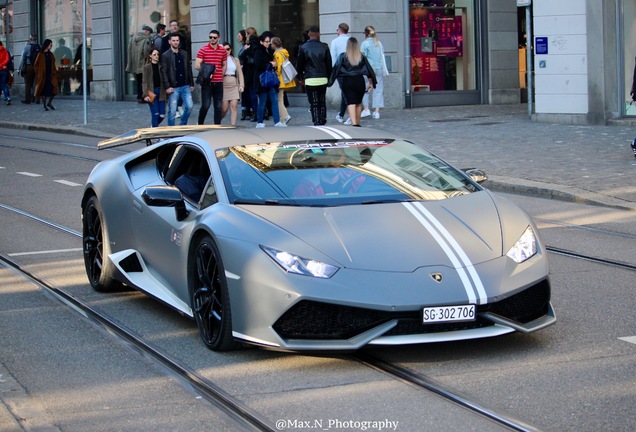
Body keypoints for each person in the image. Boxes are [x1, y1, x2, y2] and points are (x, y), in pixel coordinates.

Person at [328, 37, 376, 127]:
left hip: (347, 81)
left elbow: (336, 69)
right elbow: (369, 69)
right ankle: (357, 123)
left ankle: (354, 123)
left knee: (350, 102)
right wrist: (371, 82)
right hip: (359, 80)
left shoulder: (343, 56)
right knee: (358, 102)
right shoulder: (361, 56)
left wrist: (330, 82)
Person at [296, 25, 332, 126]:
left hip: (310, 77)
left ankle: (316, 120)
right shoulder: (324, 46)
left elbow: (300, 65)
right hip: (322, 77)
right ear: (318, 34)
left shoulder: (303, 47)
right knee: (322, 100)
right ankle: (322, 119)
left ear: (309, 34)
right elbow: (329, 64)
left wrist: (300, 77)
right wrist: (330, 79)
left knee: (314, 102)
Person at [253, 33, 286, 128]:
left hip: (270, 80)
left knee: (274, 100)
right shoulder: (258, 51)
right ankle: (259, 122)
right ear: (261, 42)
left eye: (269, 42)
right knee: (263, 102)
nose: (268, 43)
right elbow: (258, 65)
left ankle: (277, 122)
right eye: (266, 42)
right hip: (262, 81)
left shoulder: (269, 51)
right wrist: (271, 65)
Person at [195, 29, 227, 125]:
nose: (212, 39)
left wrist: (221, 75)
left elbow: (224, 64)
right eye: (210, 37)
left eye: (214, 37)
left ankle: (217, 126)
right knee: (205, 105)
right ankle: (200, 124)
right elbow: (197, 65)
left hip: (218, 82)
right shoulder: (203, 49)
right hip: (207, 82)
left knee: (218, 106)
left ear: (218, 38)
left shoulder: (222, 51)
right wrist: (207, 72)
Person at [160, 33, 194, 126]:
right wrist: (167, 86)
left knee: (189, 106)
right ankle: (171, 132)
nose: (175, 42)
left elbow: (188, 68)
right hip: (173, 87)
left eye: (177, 40)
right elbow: (164, 72)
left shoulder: (184, 53)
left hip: (185, 85)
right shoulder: (165, 55)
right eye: (173, 40)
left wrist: (191, 83)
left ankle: (182, 125)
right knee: (172, 111)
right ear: (169, 41)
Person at [360, 26, 388, 120]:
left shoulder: (364, 44)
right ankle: (376, 111)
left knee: (365, 89)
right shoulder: (379, 43)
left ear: (366, 34)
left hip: (368, 69)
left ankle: (366, 109)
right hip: (379, 68)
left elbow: (362, 58)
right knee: (378, 90)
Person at [126, 25, 154, 103]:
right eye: (149, 33)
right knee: (145, 81)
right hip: (143, 64)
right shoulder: (146, 39)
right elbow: (146, 51)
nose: (150, 35)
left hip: (135, 65)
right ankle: (144, 97)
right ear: (146, 32)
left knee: (138, 81)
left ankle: (139, 97)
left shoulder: (133, 39)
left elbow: (129, 51)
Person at [271, 37, 295, 124]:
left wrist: (275, 67)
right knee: (281, 99)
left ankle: (285, 116)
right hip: (283, 80)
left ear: (274, 45)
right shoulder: (284, 52)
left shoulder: (277, 54)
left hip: (279, 79)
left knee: (279, 100)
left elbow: (279, 67)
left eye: (271, 44)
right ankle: (283, 119)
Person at [330, 23, 350, 123]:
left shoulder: (335, 42)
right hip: (352, 69)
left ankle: (348, 114)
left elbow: (333, 58)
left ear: (339, 30)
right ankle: (342, 113)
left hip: (341, 70)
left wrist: (333, 72)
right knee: (346, 92)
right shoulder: (351, 40)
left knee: (345, 92)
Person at [220, 42, 244, 126]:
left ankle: (232, 126)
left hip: (234, 85)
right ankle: (217, 121)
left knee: (234, 107)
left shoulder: (235, 60)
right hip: (224, 85)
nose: (226, 51)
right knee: (224, 108)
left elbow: (240, 73)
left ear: (231, 50)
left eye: (228, 49)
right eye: (224, 49)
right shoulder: (220, 60)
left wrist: (241, 85)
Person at [142, 48, 167, 127]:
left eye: (157, 54)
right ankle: (156, 135)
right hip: (152, 92)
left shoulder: (161, 66)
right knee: (155, 114)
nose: (156, 56)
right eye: (154, 55)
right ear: (150, 56)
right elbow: (144, 81)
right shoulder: (147, 67)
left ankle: (153, 126)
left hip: (161, 92)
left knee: (162, 115)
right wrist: (145, 94)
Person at [34, 39, 59, 111]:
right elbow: (36, 65)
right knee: (43, 90)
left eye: (51, 45)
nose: (51, 46)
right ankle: (45, 105)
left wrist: (54, 72)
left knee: (54, 89)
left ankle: (49, 103)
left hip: (50, 74)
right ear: (47, 45)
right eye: (50, 45)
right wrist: (39, 72)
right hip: (43, 75)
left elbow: (53, 63)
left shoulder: (51, 54)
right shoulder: (40, 54)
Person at [239, 34, 259, 122]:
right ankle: (256, 112)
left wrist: (245, 50)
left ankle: (254, 113)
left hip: (249, 75)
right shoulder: (259, 48)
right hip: (256, 74)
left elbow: (241, 57)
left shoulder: (249, 49)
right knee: (256, 95)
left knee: (252, 95)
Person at [18, 34, 40, 104]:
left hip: (29, 67)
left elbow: (23, 58)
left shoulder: (27, 47)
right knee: (37, 83)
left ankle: (28, 99)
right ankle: (37, 99)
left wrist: (19, 68)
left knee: (28, 83)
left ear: (30, 39)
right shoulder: (39, 46)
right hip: (37, 67)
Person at [0, 41, 12, 105]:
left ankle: (7, 97)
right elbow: (7, 59)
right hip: (4, 70)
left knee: (1, 84)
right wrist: (3, 65)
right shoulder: (5, 51)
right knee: (3, 84)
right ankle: (7, 97)